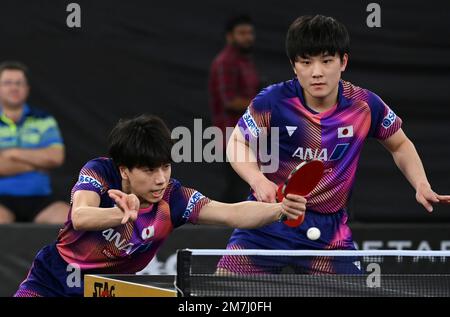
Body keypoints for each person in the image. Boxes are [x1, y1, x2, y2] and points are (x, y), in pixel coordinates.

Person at [217, 15, 450, 274]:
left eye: (327, 61)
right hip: (268, 218)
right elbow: (237, 141)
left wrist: (420, 183)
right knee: (226, 288)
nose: (317, 72)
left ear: (343, 62)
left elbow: (400, 145)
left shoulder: (364, 106)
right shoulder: (273, 101)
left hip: (329, 233)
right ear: (294, 66)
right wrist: (257, 179)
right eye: (306, 62)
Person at [14, 114, 306, 297]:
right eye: (149, 170)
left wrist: (280, 210)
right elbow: (80, 216)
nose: (160, 179)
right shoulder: (100, 172)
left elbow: (231, 213)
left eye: (165, 167)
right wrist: (118, 214)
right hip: (51, 280)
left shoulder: (174, 199)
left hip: (108, 291)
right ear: (125, 170)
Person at [0, 61, 69, 224]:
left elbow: (56, 157)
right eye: (7, 83)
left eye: (19, 83)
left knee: (73, 221)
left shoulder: (44, 120)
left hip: (40, 198)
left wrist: (13, 153)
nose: (14, 87)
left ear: (27, 89)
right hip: (1, 199)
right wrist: (38, 164)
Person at [208, 14, 260, 202]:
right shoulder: (225, 62)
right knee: (235, 188)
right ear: (229, 36)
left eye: (250, 32)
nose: (248, 37)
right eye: (242, 33)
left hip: (248, 133)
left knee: (244, 185)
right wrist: (263, 104)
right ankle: (225, 229)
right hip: (231, 135)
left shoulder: (244, 61)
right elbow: (229, 100)